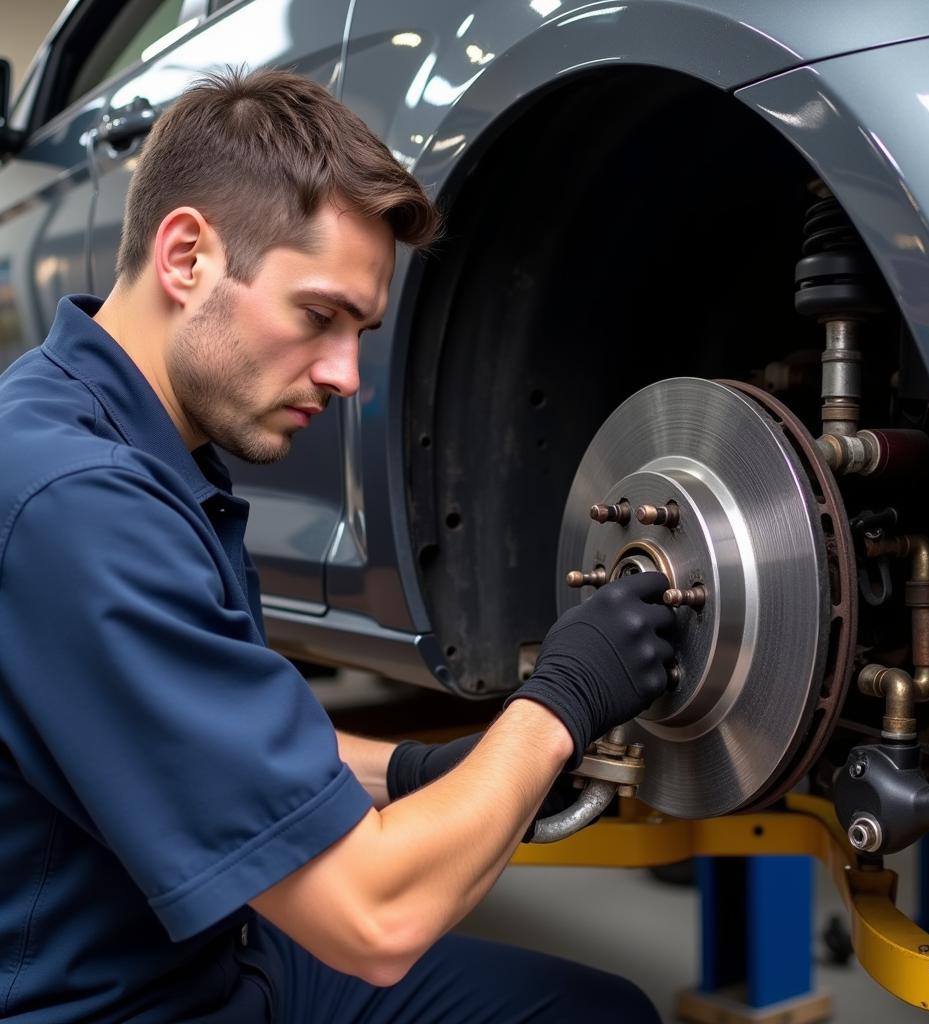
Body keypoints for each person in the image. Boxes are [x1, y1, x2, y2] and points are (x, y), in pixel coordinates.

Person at [0, 69, 676, 1023]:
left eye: (361, 328)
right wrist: (560, 700)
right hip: (114, 1002)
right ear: (186, 256)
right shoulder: (80, 507)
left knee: (592, 1010)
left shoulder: (96, 422)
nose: (347, 373)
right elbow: (375, 918)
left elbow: (216, 728)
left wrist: (409, 773)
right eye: (318, 316)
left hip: (205, 953)